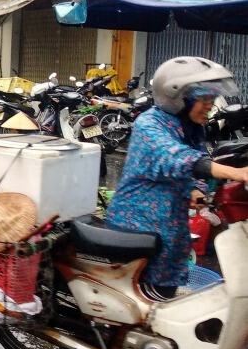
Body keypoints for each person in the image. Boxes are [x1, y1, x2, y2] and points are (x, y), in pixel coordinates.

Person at [106, 57, 248, 299]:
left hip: (169, 226)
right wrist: (236, 173)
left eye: (211, 99)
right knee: (141, 300)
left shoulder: (191, 126)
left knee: (164, 295)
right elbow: (176, 158)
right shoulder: (148, 124)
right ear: (178, 98)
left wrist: (196, 189)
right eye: (204, 99)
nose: (209, 106)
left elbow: (198, 158)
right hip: (139, 227)